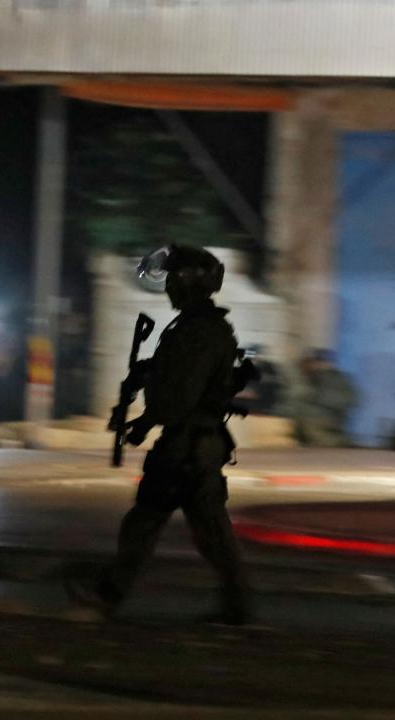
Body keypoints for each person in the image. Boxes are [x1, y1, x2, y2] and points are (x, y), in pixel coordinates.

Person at [67, 245, 252, 625]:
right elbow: (179, 374)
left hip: (187, 445)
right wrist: (144, 376)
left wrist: (144, 422)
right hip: (198, 445)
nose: (167, 288)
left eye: (171, 279)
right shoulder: (198, 327)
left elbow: (183, 392)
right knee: (209, 531)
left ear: (187, 282)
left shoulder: (198, 330)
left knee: (147, 522)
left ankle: (107, 596)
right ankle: (237, 606)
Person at [292, 349, 358, 448]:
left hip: (327, 417)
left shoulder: (332, 378)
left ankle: (341, 442)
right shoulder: (315, 377)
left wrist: (321, 399)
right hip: (321, 417)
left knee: (312, 429)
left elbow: (351, 399)